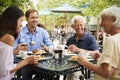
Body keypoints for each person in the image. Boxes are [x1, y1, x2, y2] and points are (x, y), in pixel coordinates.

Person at [72, 6, 120, 80]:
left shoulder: (112, 40)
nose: (101, 23)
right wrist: (102, 58)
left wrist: (85, 63)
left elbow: (106, 72)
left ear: (114, 19)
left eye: (103, 19)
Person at [13, 9, 54, 79]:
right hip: (25, 63)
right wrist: (18, 49)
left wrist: (48, 48)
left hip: (40, 62)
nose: (35, 20)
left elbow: (51, 46)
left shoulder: (43, 32)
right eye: (32, 17)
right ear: (27, 19)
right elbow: (13, 49)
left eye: (36, 17)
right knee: (26, 72)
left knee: (49, 72)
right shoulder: (20, 32)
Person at [0, 6, 39, 80]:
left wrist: (15, 51)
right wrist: (26, 61)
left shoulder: (3, 34)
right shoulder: (8, 38)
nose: (21, 24)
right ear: (13, 21)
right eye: (20, 20)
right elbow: (5, 71)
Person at [65, 15, 99, 80]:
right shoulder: (70, 39)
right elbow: (66, 52)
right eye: (77, 25)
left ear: (84, 25)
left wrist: (78, 50)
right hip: (69, 65)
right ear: (73, 26)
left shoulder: (90, 38)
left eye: (81, 25)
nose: (79, 27)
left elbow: (96, 53)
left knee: (74, 73)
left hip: (84, 66)